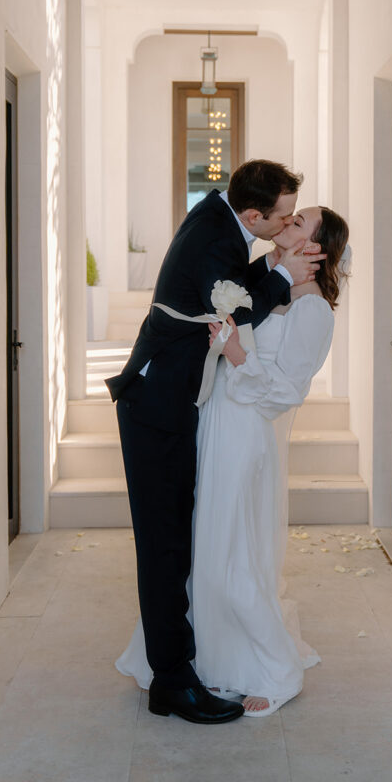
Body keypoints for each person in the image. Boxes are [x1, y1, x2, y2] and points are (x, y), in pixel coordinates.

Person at [106, 160, 324, 725]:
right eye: (284, 218)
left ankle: (181, 662)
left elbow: (237, 299)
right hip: (158, 406)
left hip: (187, 405)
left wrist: (279, 264)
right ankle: (172, 684)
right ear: (255, 215)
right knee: (165, 546)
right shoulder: (215, 240)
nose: (287, 226)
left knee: (183, 540)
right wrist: (282, 269)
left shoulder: (222, 223)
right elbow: (237, 305)